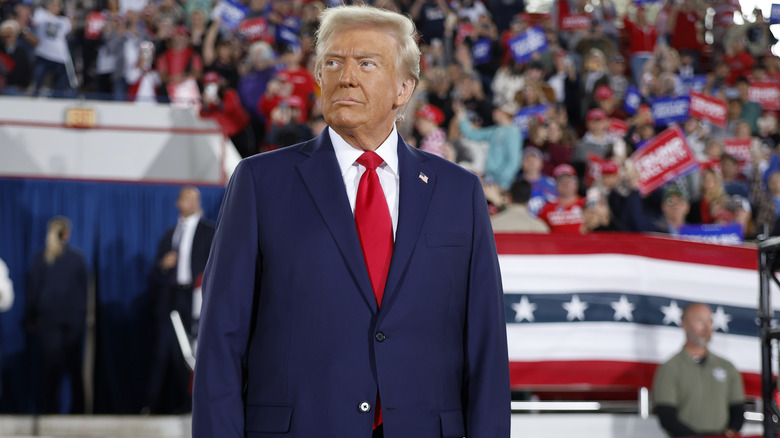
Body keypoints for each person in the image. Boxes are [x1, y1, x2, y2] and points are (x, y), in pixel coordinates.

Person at [192, 5, 511, 438]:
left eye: (366, 63)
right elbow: (220, 341)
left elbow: (486, 347)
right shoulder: (259, 182)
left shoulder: (459, 192)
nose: (346, 76)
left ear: (404, 88)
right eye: (333, 63)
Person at [145, 186, 215, 415]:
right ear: (178, 203)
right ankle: (156, 404)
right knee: (167, 351)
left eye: (196, 198)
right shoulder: (170, 233)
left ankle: (194, 404)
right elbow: (155, 271)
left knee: (194, 350)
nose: (193, 202)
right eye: (188, 198)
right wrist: (163, 265)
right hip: (172, 297)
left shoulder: (209, 231)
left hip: (197, 298)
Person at [652, 302, 745, 437]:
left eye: (710, 321)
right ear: (684, 324)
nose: (707, 327)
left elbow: (738, 409)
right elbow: (666, 416)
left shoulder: (727, 367)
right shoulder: (670, 368)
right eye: (700, 321)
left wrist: (730, 432)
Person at [25, 216, 87, 414]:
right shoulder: (77, 258)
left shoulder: (41, 257)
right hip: (73, 321)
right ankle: (78, 411)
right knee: (74, 367)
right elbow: (85, 292)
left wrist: (31, 318)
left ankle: (49, 411)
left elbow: (33, 292)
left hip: (48, 319)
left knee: (51, 368)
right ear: (67, 234)